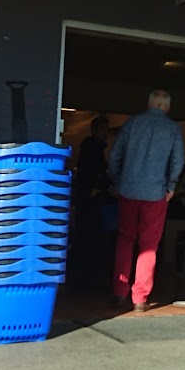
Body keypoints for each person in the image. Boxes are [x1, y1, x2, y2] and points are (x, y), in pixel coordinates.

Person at [108, 89, 185, 312]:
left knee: (125, 240)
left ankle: (120, 292)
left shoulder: (132, 123)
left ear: (149, 104)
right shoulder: (173, 128)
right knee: (149, 246)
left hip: (128, 191)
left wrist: (116, 181)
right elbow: (178, 161)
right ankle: (140, 298)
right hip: (156, 194)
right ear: (167, 107)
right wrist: (171, 186)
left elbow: (115, 156)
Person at [70, 116, 114, 294]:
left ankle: (82, 280)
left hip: (86, 201)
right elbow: (93, 176)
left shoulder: (90, 148)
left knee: (85, 240)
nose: (105, 134)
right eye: (103, 129)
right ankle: (85, 280)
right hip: (91, 202)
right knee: (89, 240)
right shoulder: (92, 149)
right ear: (95, 130)